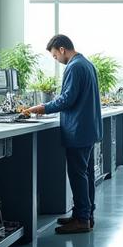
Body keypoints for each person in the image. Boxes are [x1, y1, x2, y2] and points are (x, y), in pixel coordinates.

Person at [27, 35, 102, 234]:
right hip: (88, 129)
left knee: (78, 175)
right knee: (86, 175)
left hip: (78, 130)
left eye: (54, 56)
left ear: (61, 49)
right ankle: (84, 215)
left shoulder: (74, 66)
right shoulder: (86, 64)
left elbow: (67, 99)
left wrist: (41, 108)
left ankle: (82, 219)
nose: (56, 60)